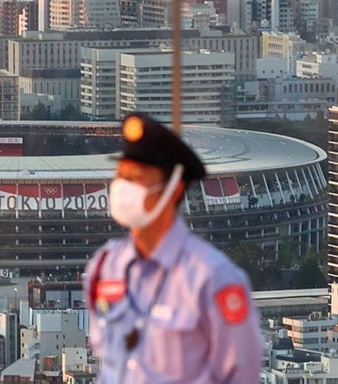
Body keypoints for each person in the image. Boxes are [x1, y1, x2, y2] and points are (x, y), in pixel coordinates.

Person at [84, 113, 263, 383]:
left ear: (174, 189)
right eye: (121, 176)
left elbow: (241, 374)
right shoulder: (105, 266)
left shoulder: (212, 277)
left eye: (138, 178)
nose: (123, 187)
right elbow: (107, 363)